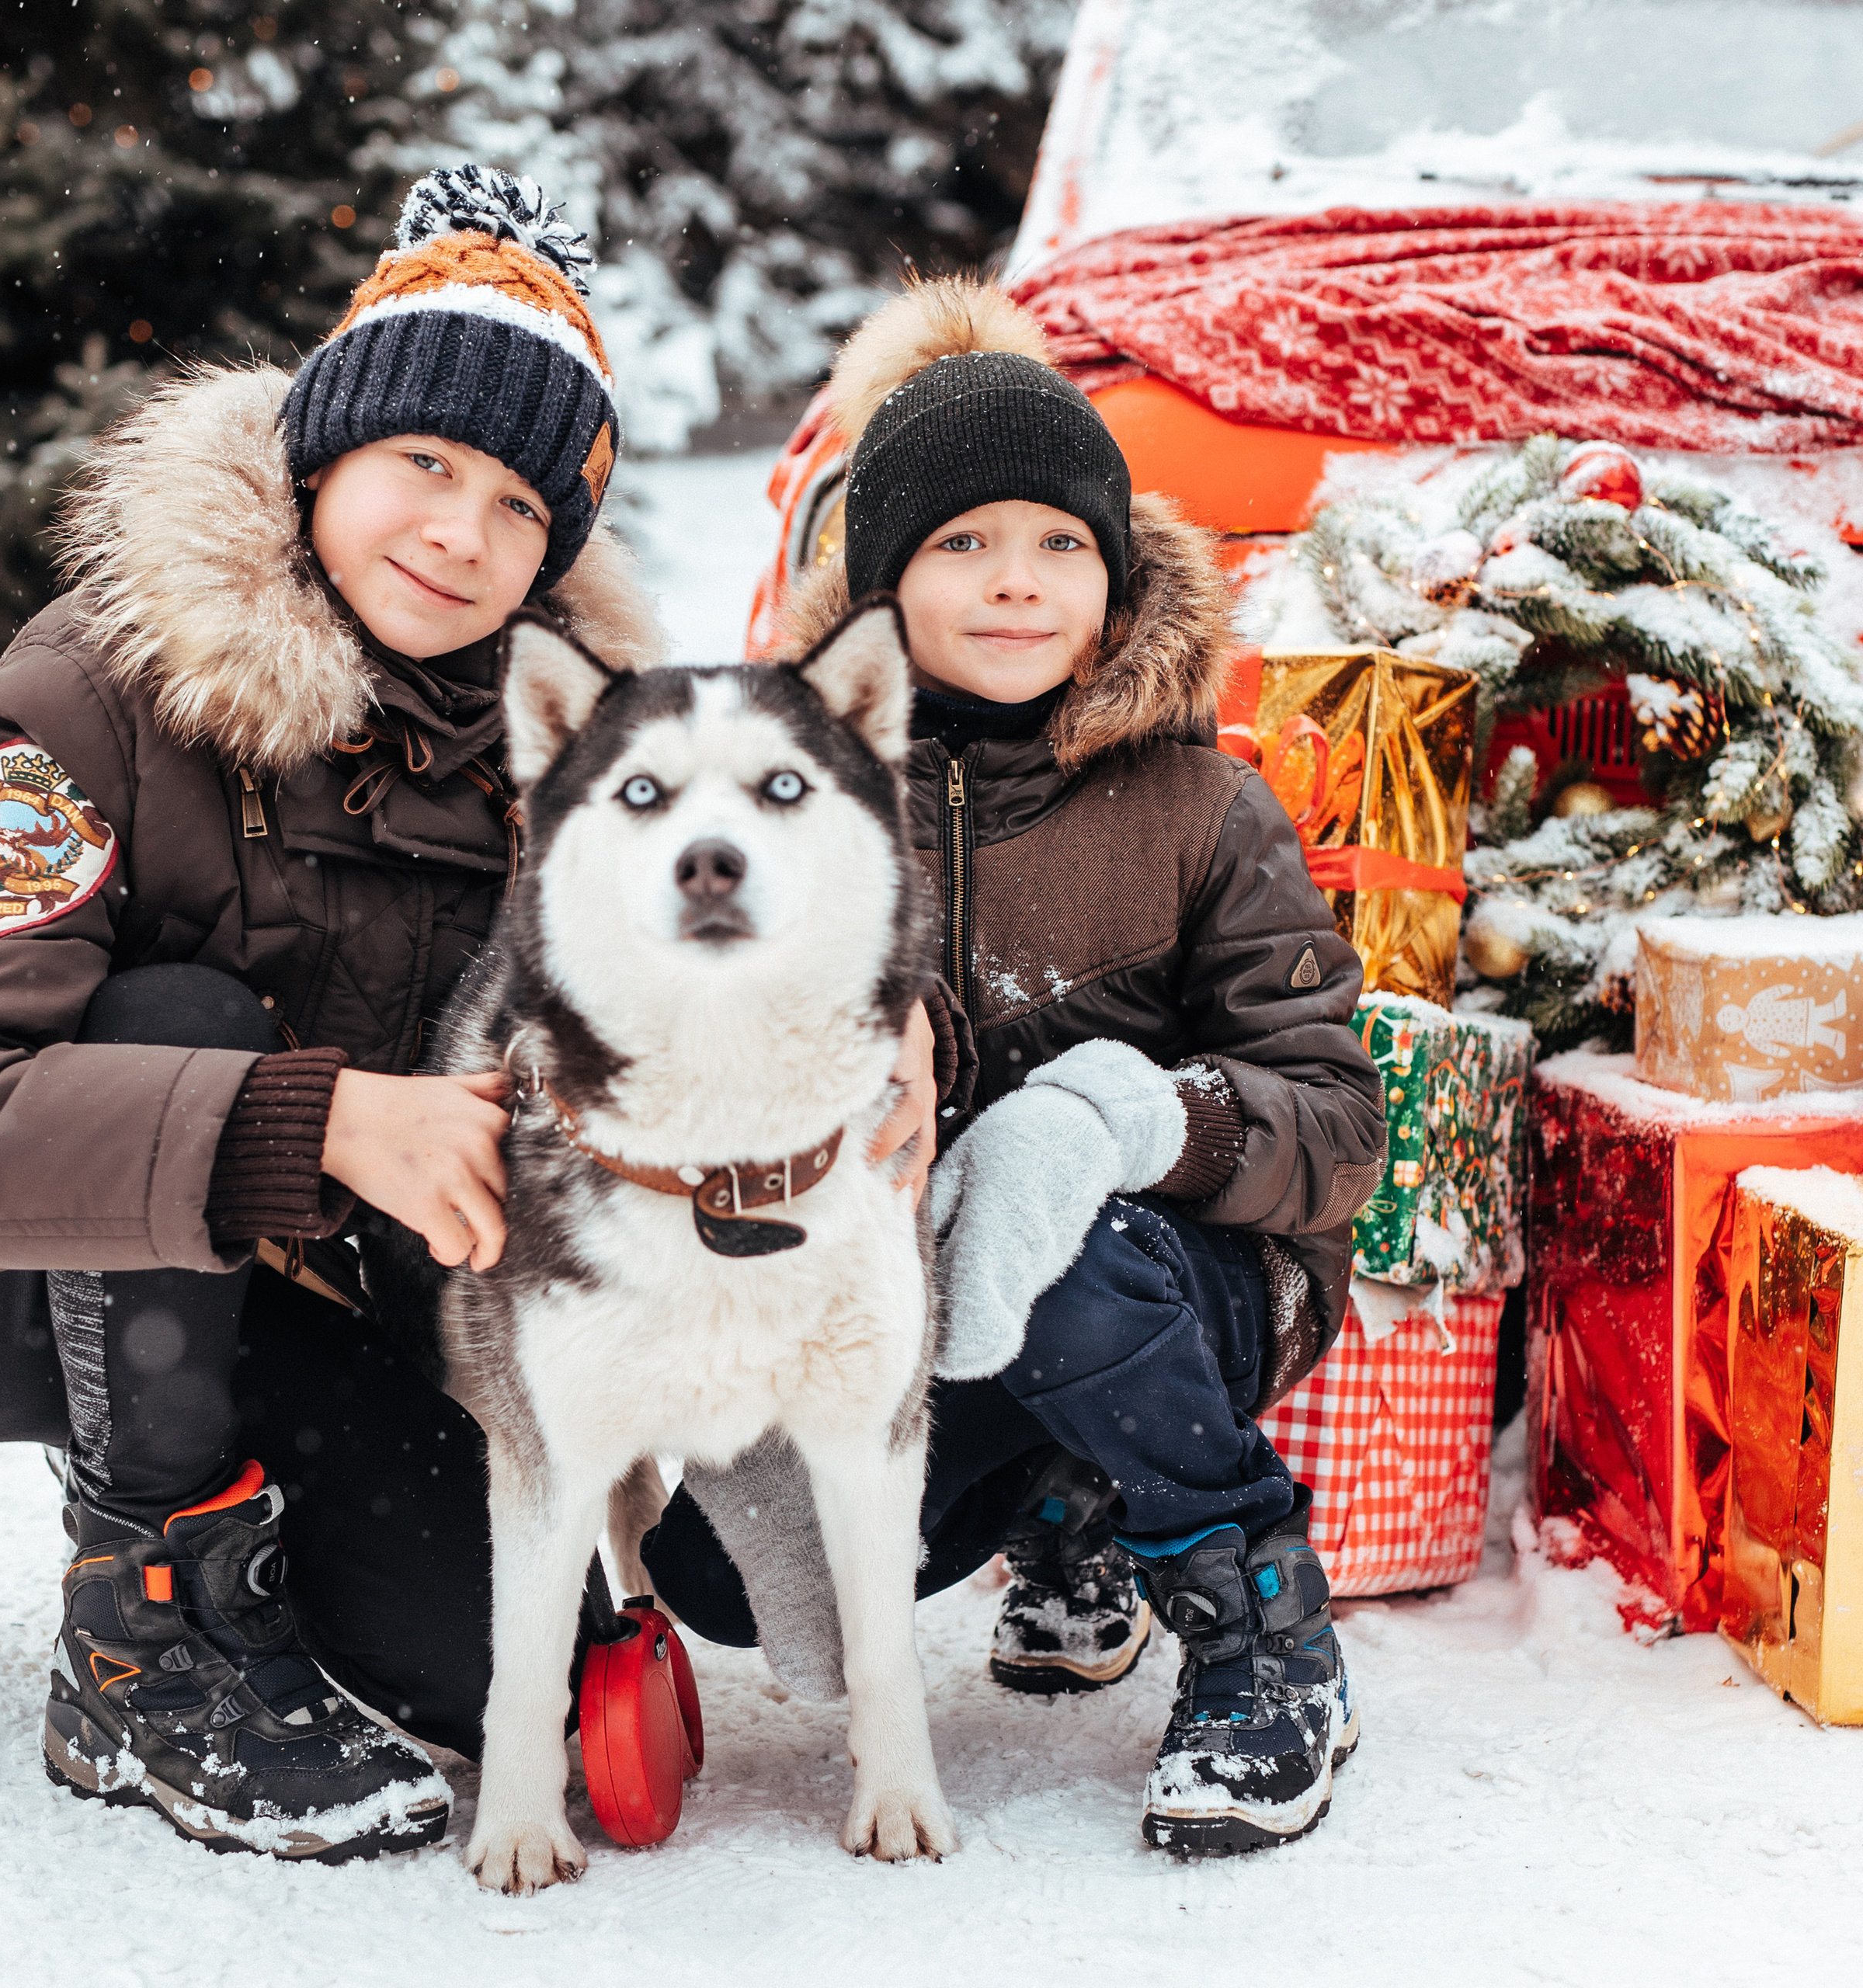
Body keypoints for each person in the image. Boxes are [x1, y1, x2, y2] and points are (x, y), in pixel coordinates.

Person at [0, 166, 952, 1863]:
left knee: (494, 1666)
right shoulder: (83, 697)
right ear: (324, 452)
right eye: (424, 465)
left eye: (521, 505)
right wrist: (320, 1122)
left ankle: (253, 1513)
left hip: (316, 1289)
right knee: (176, 1011)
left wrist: (890, 1018)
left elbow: (742, 896)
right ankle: (141, 1626)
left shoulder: (566, 756)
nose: (462, 534)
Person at [642, 278, 1387, 1856]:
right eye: (961, 542)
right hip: (907, 1290)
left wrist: (1137, 1120)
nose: (1015, 583)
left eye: (1059, 542)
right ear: (881, 580)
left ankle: (1260, 1616)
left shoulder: (1201, 810)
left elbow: (1335, 1125)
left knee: (1063, 1252)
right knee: (719, 1567)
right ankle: (1068, 1500)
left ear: (1115, 577)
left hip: (1175, 1278)